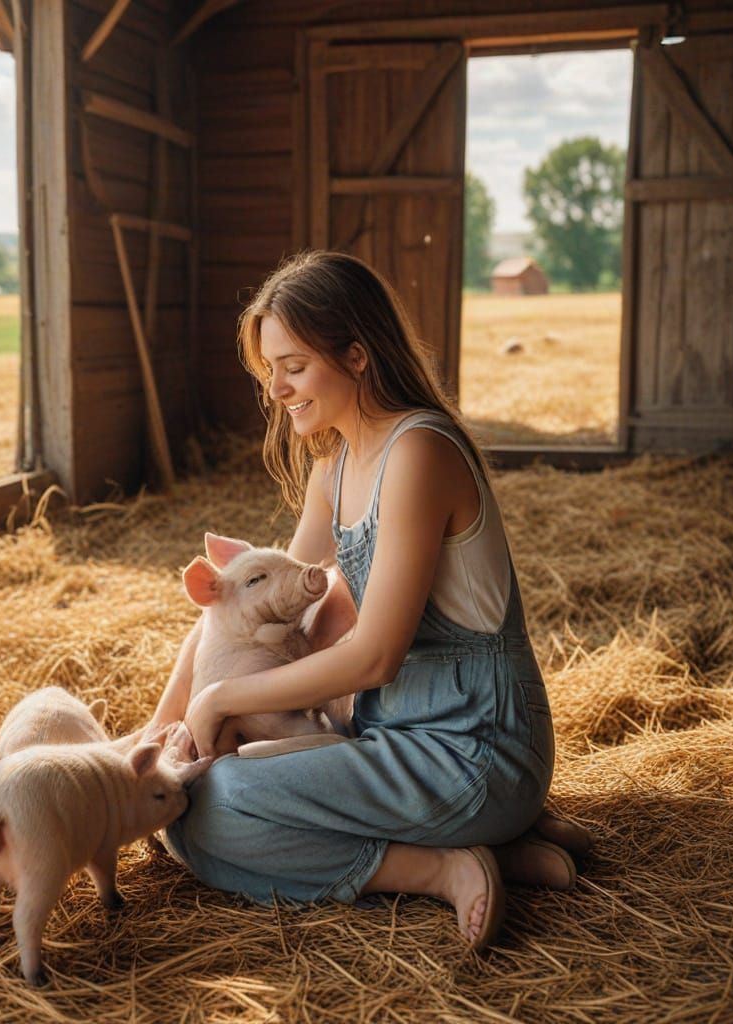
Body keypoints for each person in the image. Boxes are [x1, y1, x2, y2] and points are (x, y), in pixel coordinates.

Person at [149, 250, 591, 950]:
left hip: (474, 750)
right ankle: (506, 848)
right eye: (271, 372)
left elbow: (376, 655)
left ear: (356, 355)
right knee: (178, 799)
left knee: (214, 812)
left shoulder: (419, 452)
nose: (279, 390)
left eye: (294, 367)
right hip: (392, 740)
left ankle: (442, 868)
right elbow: (257, 612)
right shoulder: (336, 463)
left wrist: (222, 702)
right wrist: (159, 733)